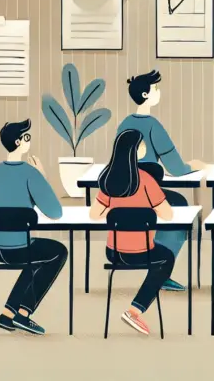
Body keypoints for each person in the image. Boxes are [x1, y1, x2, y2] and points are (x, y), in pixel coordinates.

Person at [0, 119, 67, 335]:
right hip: (20, 249)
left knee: (34, 256)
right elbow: (55, 212)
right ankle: (23, 314)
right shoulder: (30, 173)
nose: (28, 140)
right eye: (26, 137)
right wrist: (41, 176)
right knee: (58, 252)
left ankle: (7, 314)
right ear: (18, 141)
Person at [116, 69, 204, 292]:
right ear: (145, 95)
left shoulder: (123, 124)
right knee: (180, 206)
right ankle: (161, 271)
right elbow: (175, 167)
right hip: (147, 193)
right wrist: (192, 166)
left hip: (123, 192)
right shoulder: (153, 125)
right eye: (155, 88)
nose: (158, 92)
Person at [88, 129, 176, 336]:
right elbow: (167, 214)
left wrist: (116, 211)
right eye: (142, 145)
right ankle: (135, 310)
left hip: (114, 253)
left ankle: (134, 311)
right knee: (167, 258)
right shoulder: (145, 180)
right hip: (143, 252)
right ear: (135, 151)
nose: (144, 148)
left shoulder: (109, 179)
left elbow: (94, 214)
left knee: (161, 257)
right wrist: (146, 208)